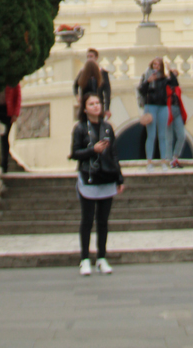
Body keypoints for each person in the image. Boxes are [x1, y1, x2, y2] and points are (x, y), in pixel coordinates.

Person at [70, 90, 124, 276]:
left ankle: (102, 257)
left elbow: (114, 153)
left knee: (103, 221)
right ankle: (85, 259)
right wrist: (92, 150)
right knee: (87, 220)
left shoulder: (107, 128)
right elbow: (74, 153)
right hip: (89, 176)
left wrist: (119, 177)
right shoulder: (80, 129)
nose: (95, 106)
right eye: (91, 104)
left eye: (97, 103)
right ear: (85, 109)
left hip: (107, 177)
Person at [137, 57, 179, 172]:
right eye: (154, 65)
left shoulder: (165, 78)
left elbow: (175, 84)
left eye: (158, 65)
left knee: (162, 135)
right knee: (151, 135)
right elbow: (141, 90)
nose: (156, 67)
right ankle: (149, 162)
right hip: (150, 106)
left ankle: (163, 161)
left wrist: (170, 71)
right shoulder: (147, 75)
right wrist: (148, 81)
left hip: (162, 106)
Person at [73, 48, 111, 117]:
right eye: (88, 57)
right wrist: (77, 96)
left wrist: (107, 109)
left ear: (96, 58)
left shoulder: (102, 73)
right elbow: (75, 85)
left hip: (98, 105)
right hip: (86, 105)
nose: (89, 59)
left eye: (91, 56)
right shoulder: (83, 72)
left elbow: (107, 92)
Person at [166, 78, 188, 169]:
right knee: (169, 138)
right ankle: (169, 160)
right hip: (168, 111)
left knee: (182, 135)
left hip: (177, 111)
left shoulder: (177, 89)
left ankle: (175, 157)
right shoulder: (165, 89)